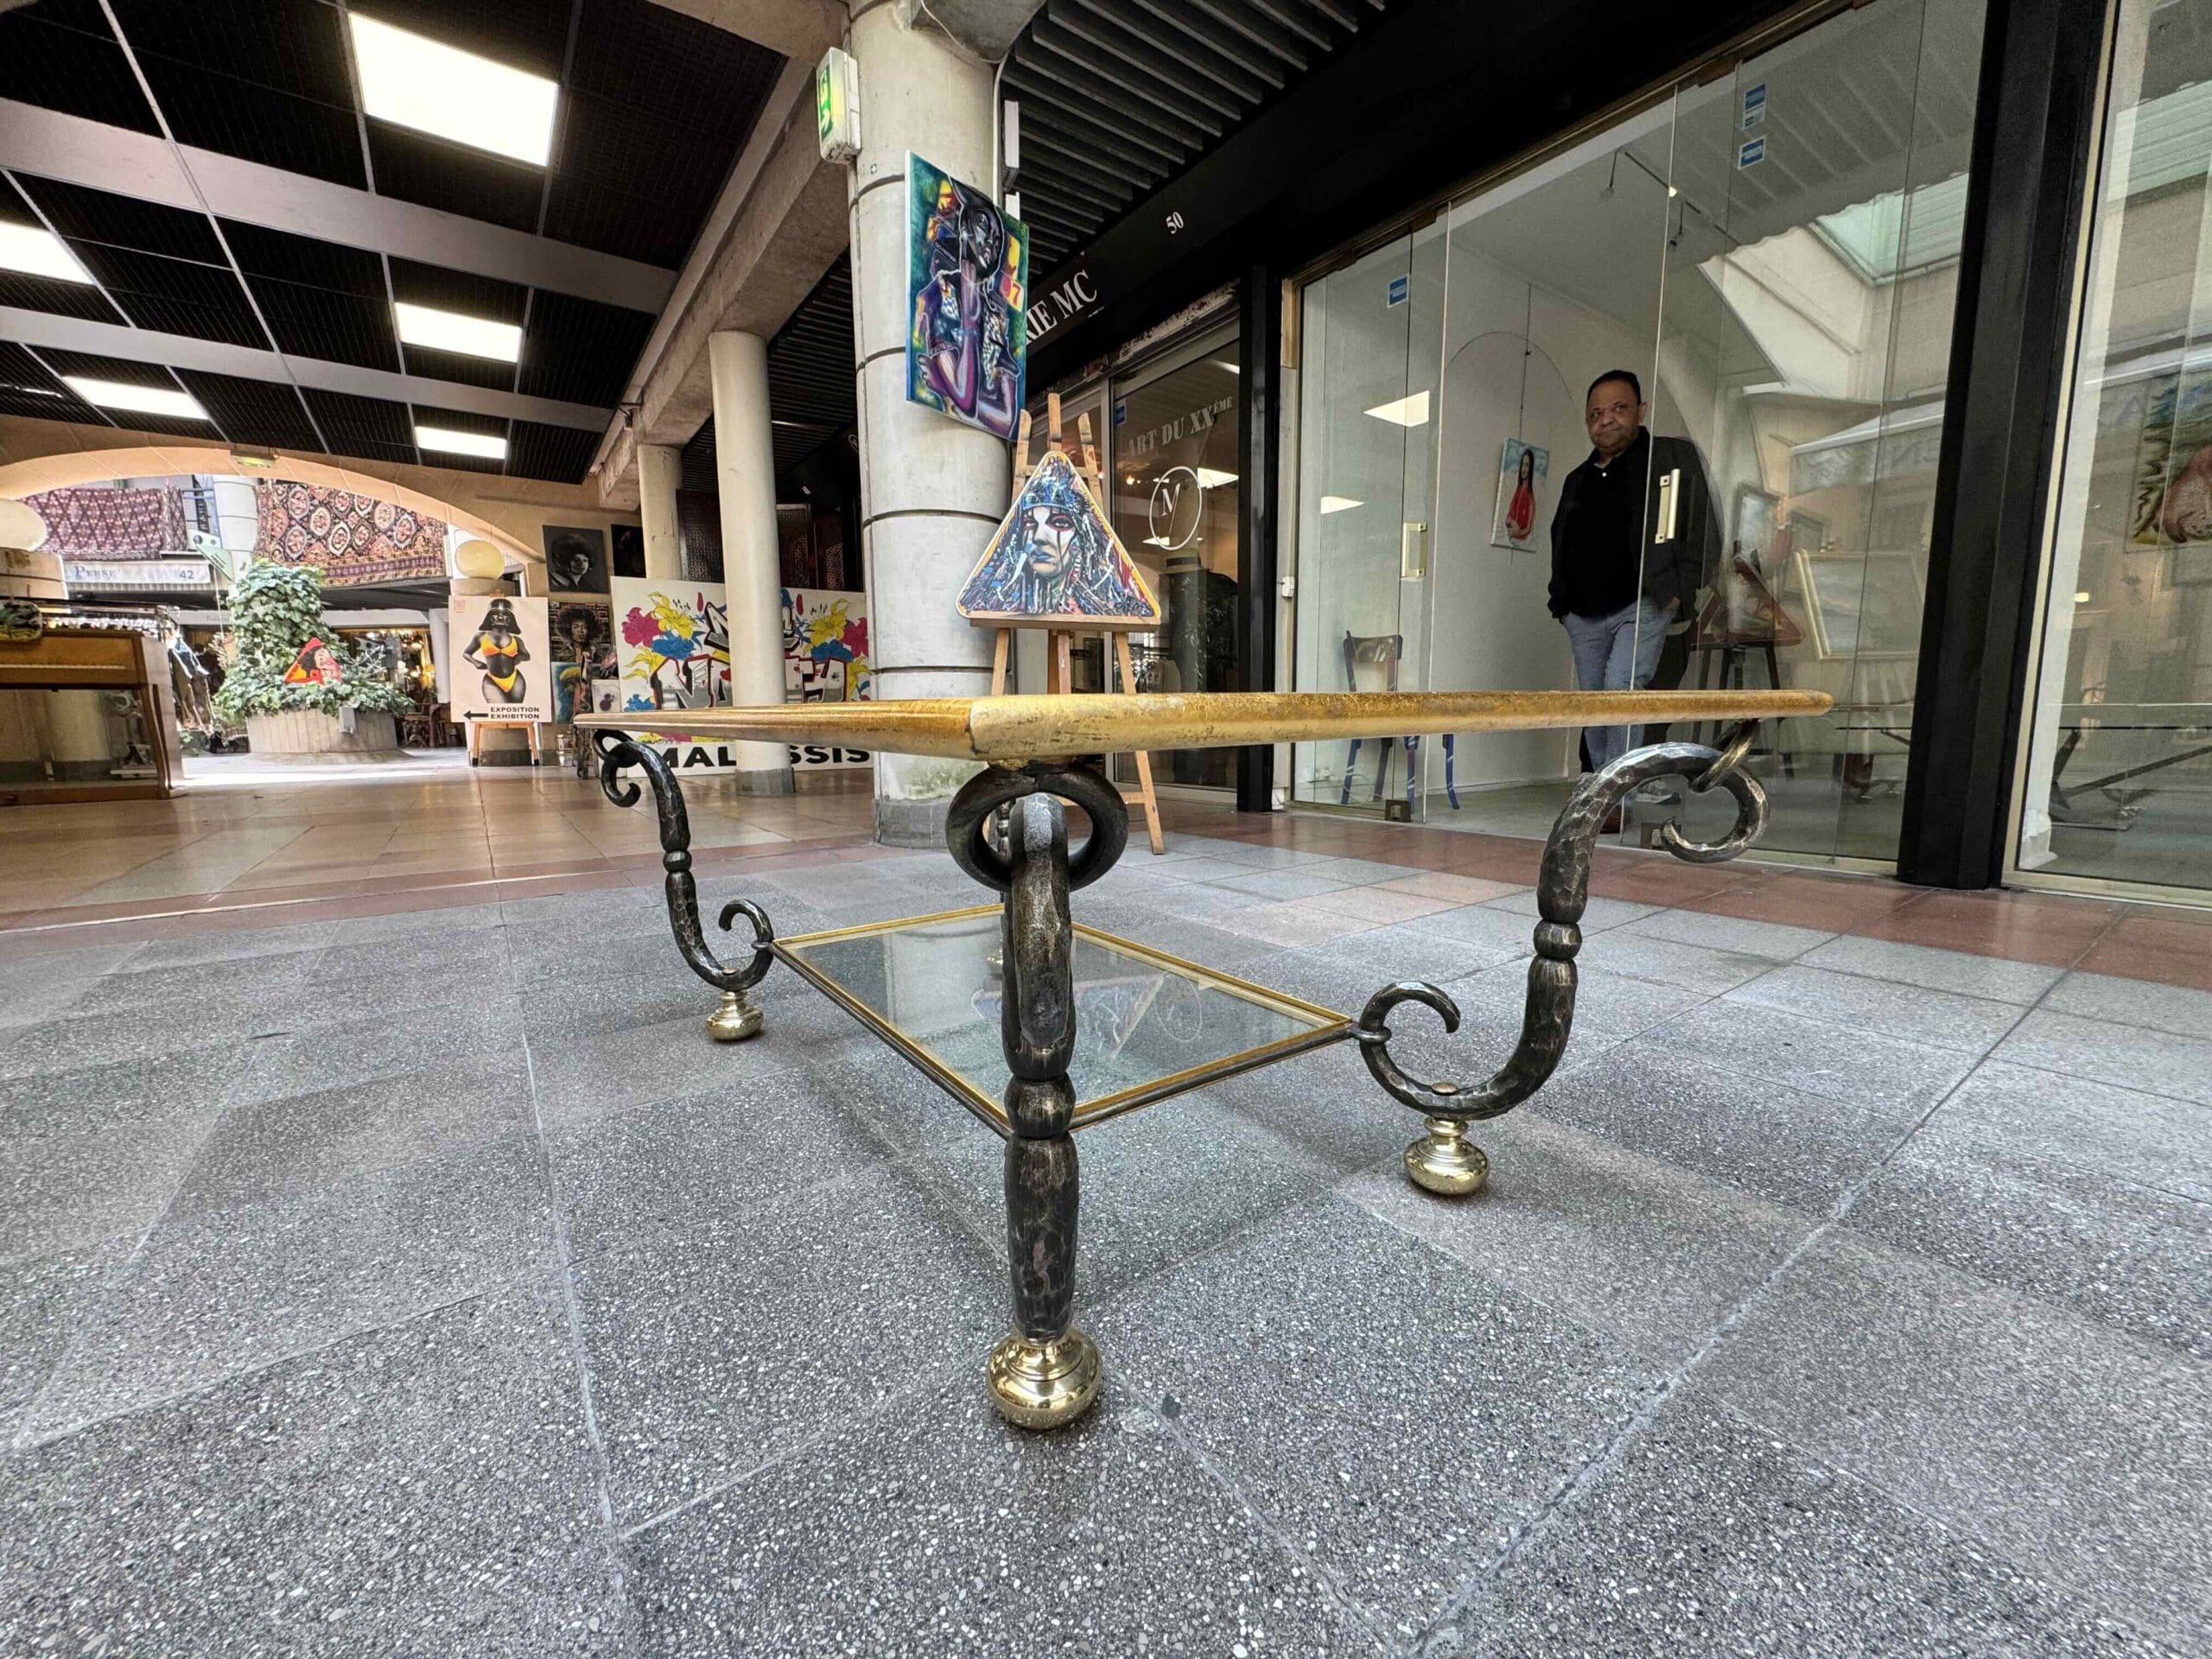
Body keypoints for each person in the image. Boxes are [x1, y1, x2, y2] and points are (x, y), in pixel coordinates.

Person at [1548, 369, 1718, 804]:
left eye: (1618, 409)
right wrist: (1561, 604)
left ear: (1641, 410)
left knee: (1622, 691)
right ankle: (1614, 787)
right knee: (1596, 702)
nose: (1606, 420)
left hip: (1642, 602)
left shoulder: (1671, 459)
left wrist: (1682, 587)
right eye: (1595, 414)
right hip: (1583, 613)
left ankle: (1611, 795)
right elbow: (1560, 540)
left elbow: (1701, 526)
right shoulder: (1577, 479)